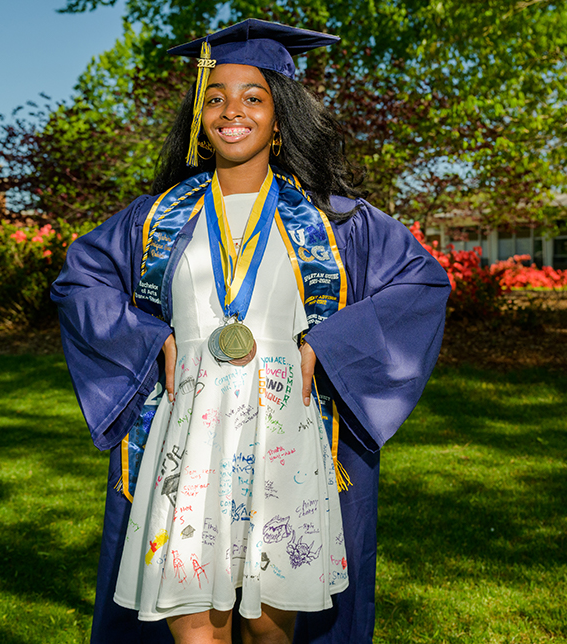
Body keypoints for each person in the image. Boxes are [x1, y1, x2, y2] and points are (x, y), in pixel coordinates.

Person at [51, 19, 450, 644]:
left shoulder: (338, 222)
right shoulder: (156, 217)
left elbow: (420, 285)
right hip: (189, 433)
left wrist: (328, 343)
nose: (231, 110)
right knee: (193, 620)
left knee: (267, 623)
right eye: (215, 97)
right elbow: (81, 282)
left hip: (283, 432)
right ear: (198, 116)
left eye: (252, 97)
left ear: (280, 116)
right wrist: (150, 340)